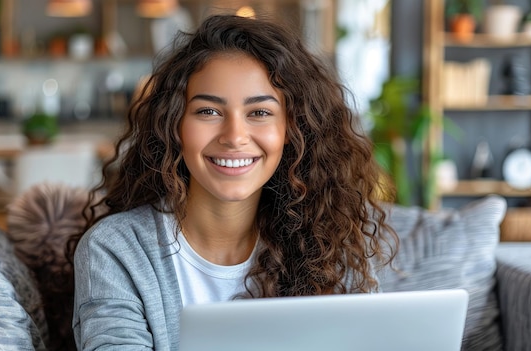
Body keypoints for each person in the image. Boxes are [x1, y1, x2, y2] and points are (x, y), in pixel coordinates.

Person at [68, 13, 398, 350]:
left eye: (259, 113)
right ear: (174, 125)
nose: (234, 137)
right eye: (208, 111)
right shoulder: (116, 251)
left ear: (292, 130)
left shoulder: (329, 244)